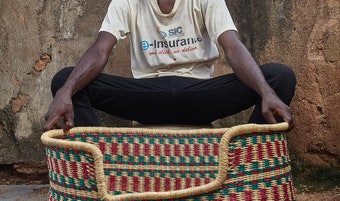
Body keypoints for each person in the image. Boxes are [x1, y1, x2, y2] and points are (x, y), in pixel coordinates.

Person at [43, 0, 296, 132]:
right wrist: (66, 91)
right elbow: (100, 50)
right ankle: (101, 170)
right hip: (147, 96)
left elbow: (231, 47)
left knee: (279, 77)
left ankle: (246, 165)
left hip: (199, 95)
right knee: (66, 81)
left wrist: (266, 92)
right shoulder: (127, 1)